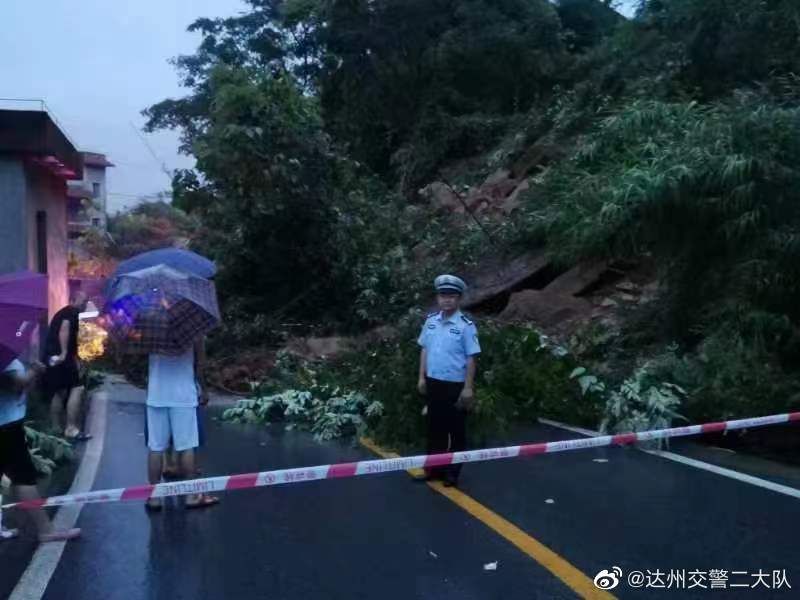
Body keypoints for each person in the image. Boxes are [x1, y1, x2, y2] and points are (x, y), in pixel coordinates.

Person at [0, 358, 81, 543]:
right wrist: (34, 370)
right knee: (23, 479)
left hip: (7, 421)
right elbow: (14, 386)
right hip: (6, 426)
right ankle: (46, 530)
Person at [416, 274, 481, 487]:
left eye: (452, 296)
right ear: (437, 298)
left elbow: (471, 357)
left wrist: (468, 388)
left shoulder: (465, 325)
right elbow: (424, 349)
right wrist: (421, 377)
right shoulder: (431, 321)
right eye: (443, 296)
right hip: (434, 382)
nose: (447, 300)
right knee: (435, 428)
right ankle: (433, 469)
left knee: (456, 430)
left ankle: (453, 472)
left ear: (459, 299)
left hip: (455, 385)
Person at [144, 338, 218, 510]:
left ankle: (154, 497)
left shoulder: (151, 327)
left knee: (155, 447)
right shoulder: (192, 327)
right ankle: (191, 496)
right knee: (186, 446)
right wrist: (203, 388)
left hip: (157, 394)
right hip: (184, 395)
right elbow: (200, 363)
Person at [43, 290, 90, 441]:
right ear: (73, 300)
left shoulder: (62, 312)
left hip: (52, 357)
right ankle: (71, 428)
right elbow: (65, 328)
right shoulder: (71, 312)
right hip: (62, 358)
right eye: (83, 301)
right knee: (78, 388)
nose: (85, 304)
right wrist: (64, 353)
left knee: (59, 391)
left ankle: (55, 427)